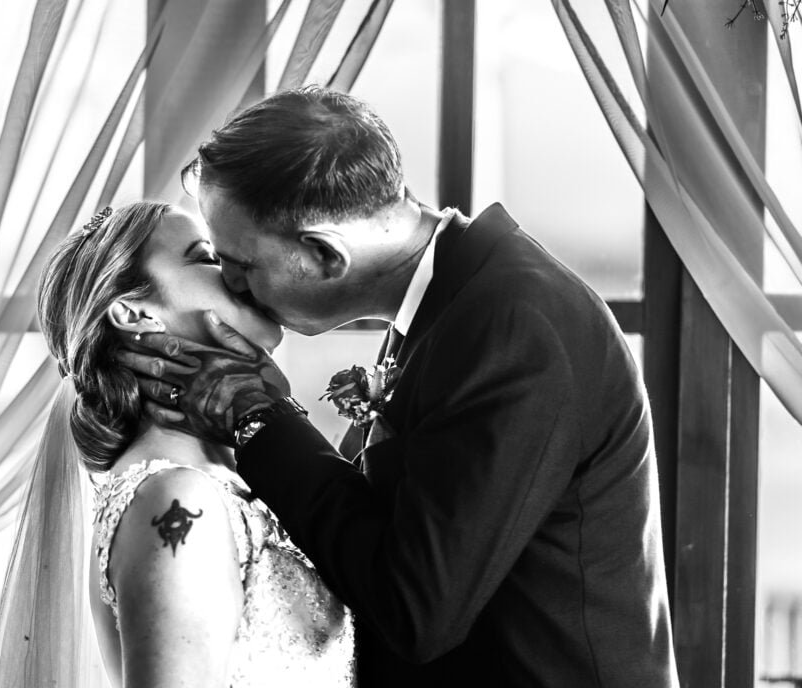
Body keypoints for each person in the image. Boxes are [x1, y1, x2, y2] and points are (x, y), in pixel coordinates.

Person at [120, 87, 680, 687]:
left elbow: (417, 611)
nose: (231, 284)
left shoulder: (516, 324)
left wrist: (262, 415)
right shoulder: (450, 306)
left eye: (240, 262)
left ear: (323, 254)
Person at [0, 202, 355, 688]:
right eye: (206, 257)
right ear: (135, 313)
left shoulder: (232, 482)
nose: (239, 274)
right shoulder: (176, 499)